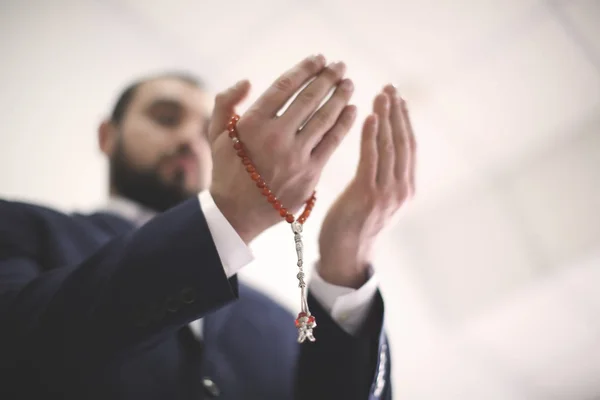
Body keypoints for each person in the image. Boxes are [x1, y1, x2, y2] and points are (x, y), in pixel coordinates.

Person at [0, 54, 416, 399]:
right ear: (108, 136)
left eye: (205, 131)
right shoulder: (20, 227)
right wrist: (233, 215)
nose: (189, 140)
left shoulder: (278, 321)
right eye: (165, 117)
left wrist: (346, 267)